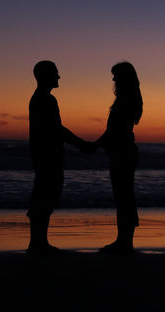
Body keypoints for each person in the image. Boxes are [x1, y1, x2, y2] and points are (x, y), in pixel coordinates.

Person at [27, 60, 94, 255]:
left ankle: (39, 241)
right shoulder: (46, 100)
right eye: (56, 73)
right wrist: (82, 144)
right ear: (47, 76)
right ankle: (38, 243)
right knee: (45, 196)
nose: (58, 77)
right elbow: (57, 130)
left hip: (42, 154)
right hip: (49, 155)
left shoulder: (38, 98)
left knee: (43, 195)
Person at [95, 61, 143, 254]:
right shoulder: (129, 98)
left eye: (116, 76)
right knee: (124, 196)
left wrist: (92, 145)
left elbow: (113, 131)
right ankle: (123, 240)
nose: (113, 79)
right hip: (124, 151)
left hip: (122, 152)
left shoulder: (125, 100)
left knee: (123, 196)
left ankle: (124, 242)